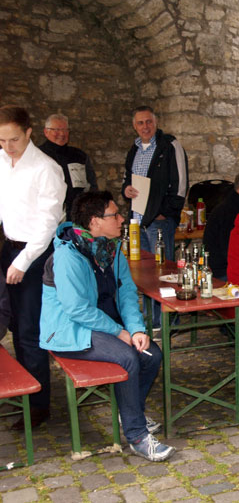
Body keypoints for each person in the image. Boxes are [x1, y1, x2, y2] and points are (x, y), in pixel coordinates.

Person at [39, 191, 173, 461]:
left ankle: (130, 412)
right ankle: (137, 435)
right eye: (115, 215)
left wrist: (136, 329)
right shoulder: (68, 256)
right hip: (68, 331)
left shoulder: (111, 250)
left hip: (100, 325)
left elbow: (126, 293)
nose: (122, 219)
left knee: (151, 354)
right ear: (94, 221)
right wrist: (119, 332)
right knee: (127, 357)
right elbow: (76, 309)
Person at [0, 105, 66, 428]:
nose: (7, 147)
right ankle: (22, 388)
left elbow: (47, 225)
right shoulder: (1, 160)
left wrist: (23, 262)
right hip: (8, 248)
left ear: (28, 133)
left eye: (13, 139)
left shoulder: (46, 169)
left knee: (29, 332)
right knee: (11, 325)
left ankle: (38, 406)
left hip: (35, 254)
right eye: (1, 141)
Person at [122, 105, 188, 261]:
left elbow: (181, 184)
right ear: (135, 126)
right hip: (137, 222)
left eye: (149, 122)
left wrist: (165, 213)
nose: (145, 127)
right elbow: (127, 178)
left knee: (162, 268)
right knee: (141, 268)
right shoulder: (134, 149)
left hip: (159, 221)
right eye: (140, 123)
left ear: (156, 122)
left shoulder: (170, 145)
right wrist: (126, 190)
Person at [39, 114, 98, 220]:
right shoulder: (38, 156)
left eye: (65, 130)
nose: (62, 134)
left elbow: (92, 186)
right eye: (57, 130)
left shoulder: (80, 156)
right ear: (46, 132)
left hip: (76, 216)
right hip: (47, 216)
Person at [203, 170, 239, 279]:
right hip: (223, 271)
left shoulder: (233, 206)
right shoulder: (232, 211)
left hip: (225, 267)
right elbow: (229, 249)